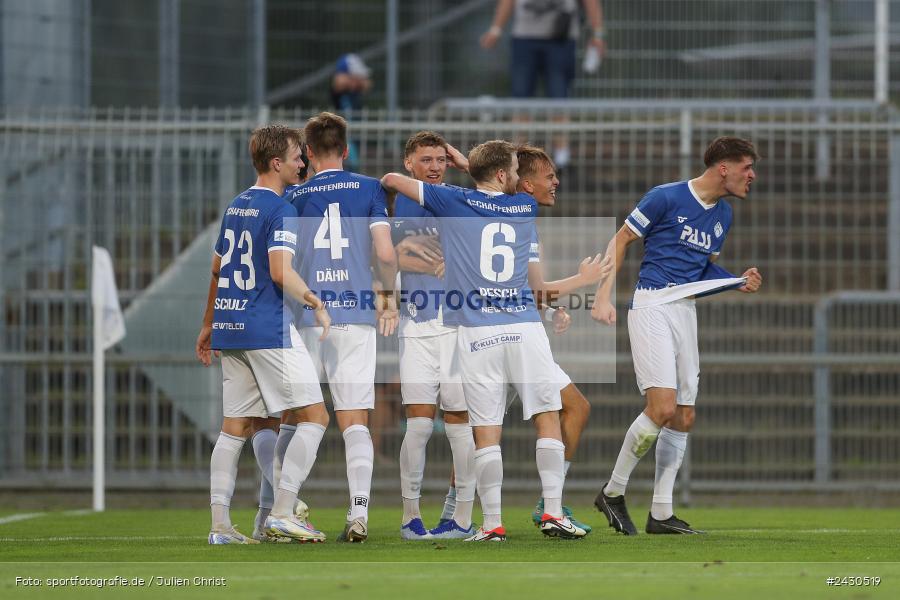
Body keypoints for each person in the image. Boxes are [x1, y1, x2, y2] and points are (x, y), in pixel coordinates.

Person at [381, 140, 588, 541]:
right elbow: (506, 192)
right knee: (546, 417)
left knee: (487, 431)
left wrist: (456, 175)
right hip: (525, 328)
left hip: (477, 333)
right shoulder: (524, 207)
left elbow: (392, 180)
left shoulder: (453, 201)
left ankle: (491, 524)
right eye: (512, 169)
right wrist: (467, 165)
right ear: (502, 176)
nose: (517, 176)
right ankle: (552, 513)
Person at [590, 136, 763, 535]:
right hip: (652, 304)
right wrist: (602, 296)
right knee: (662, 407)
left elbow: (701, 273)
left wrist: (736, 281)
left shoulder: (723, 215)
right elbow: (621, 240)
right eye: (747, 167)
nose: (751, 176)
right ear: (724, 168)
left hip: (686, 310)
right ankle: (612, 492)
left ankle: (661, 514)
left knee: (684, 415)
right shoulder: (665, 197)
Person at [195, 124, 332, 544]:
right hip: (266, 327)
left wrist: (208, 323)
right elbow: (278, 271)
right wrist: (314, 300)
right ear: (277, 163)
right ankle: (284, 511)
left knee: (234, 427)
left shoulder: (237, 204)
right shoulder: (281, 209)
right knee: (315, 417)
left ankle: (220, 526)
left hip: (230, 325)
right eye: (296, 156)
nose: (302, 163)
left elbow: (218, 269)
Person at [285, 111, 399, 543]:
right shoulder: (370, 188)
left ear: (308, 153)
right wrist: (387, 298)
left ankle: (283, 505)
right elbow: (386, 253)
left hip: (308, 317)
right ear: (347, 150)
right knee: (355, 421)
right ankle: (358, 514)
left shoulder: (295, 196)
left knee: (298, 418)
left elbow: (285, 261)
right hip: (355, 316)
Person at [391, 131, 477, 541]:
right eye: (427, 160)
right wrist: (416, 261)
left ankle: (461, 519)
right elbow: (385, 252)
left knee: (461, 421)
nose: (436, 166)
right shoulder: (394, 199)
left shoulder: (462, 196)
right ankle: (411, 516)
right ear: (410, 163)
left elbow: (508, 188)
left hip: (458, 326)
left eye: (442, 159)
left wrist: (467, 166)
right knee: (419, 426)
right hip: (415, 325)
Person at [480, 0, 607, 168]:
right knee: (521, 97)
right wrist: (496, 29)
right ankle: (519, 153)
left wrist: (598, 33)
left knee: (559, 96)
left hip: (561, 37)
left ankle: (561, 154)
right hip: (524, 37)